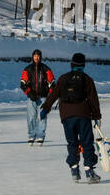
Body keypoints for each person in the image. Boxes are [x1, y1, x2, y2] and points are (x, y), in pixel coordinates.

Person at [39, 51, 102, 183]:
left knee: (72, 142)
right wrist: (97, 116)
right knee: (86, 143)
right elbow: (93, 99)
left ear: (71, 64)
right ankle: (89, 171)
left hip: (67, 116)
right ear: (83, 65)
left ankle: (74, 170)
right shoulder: (87, 80)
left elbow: (53, 94)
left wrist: (45, 108)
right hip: (83, 114)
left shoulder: (63, 78)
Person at [20, 49, 54, 145]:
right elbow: (22, 84)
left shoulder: (46, 69)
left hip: (43, 97)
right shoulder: (27, 69)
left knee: (42, 117)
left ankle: (40, 136)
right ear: (32, 57)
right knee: (31, 117)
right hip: (32, 98)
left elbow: (52, 84)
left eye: (38, 56)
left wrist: (50, 98)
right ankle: (31, 135)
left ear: (41, 57)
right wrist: (29, 93)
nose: (36, 57)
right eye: (35, 56)